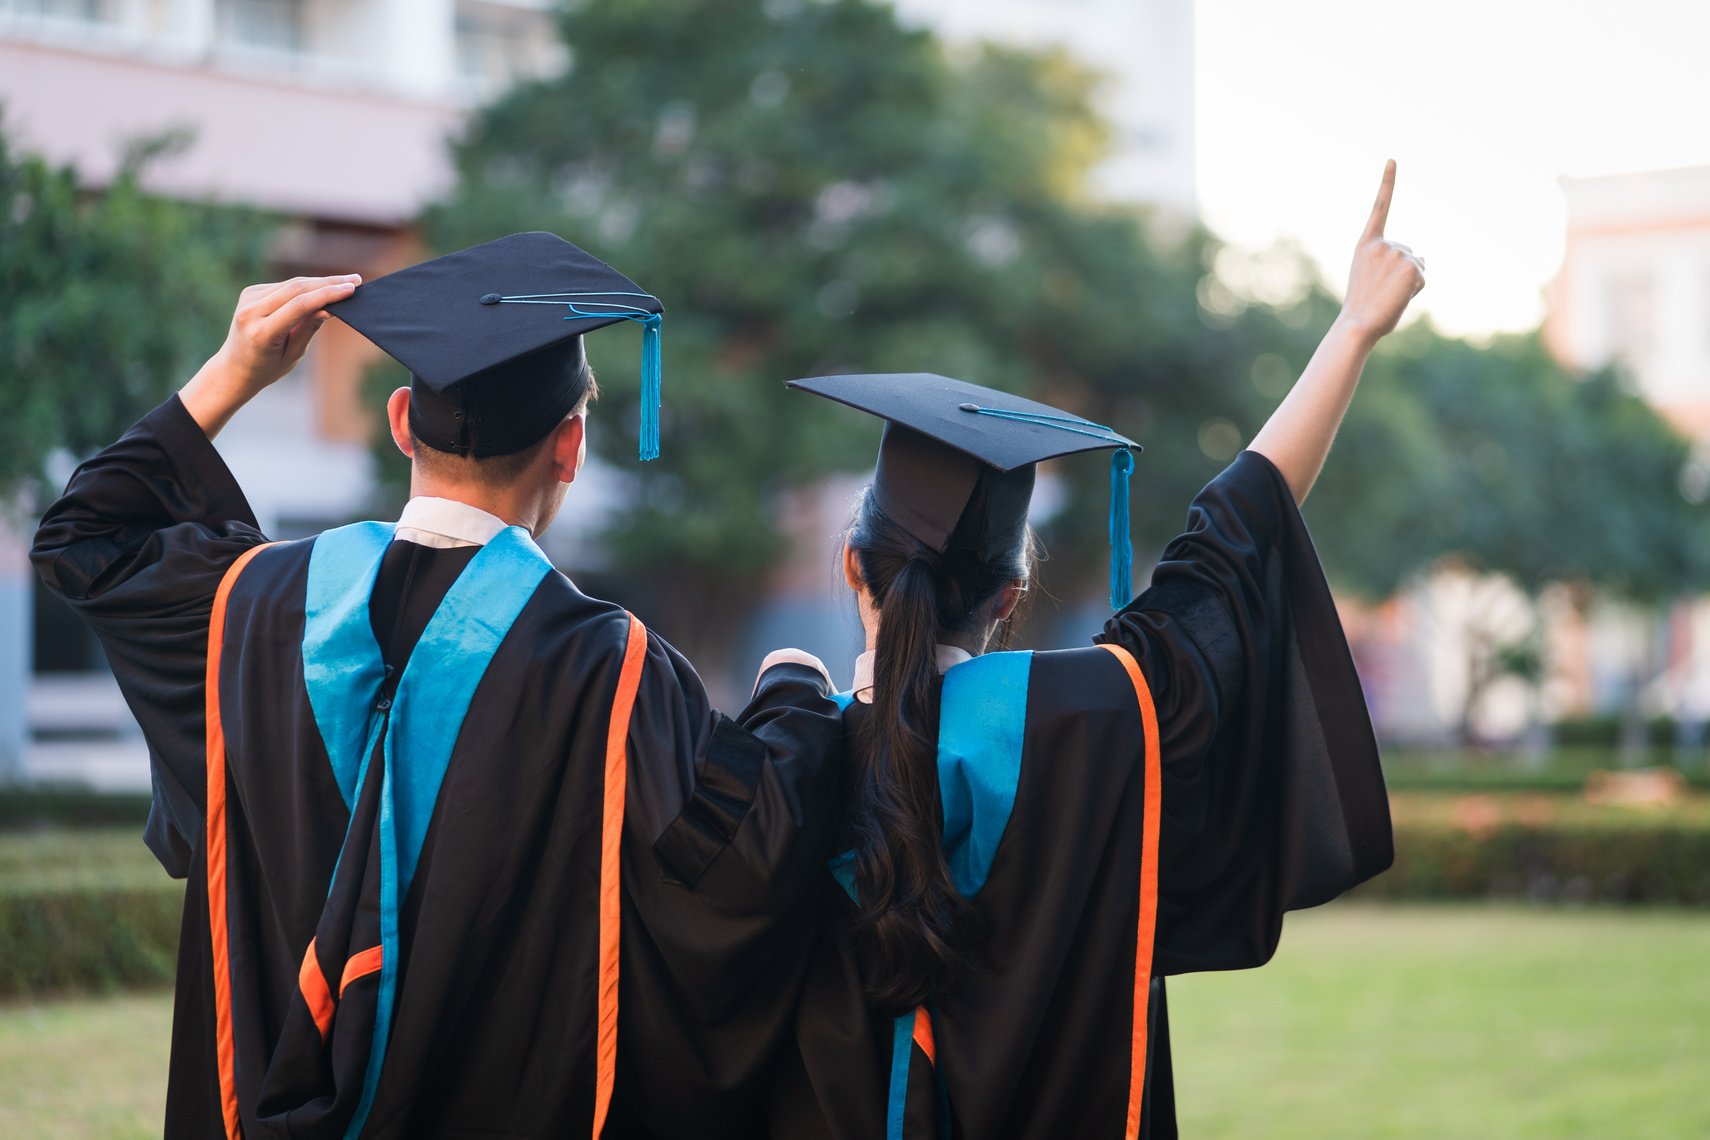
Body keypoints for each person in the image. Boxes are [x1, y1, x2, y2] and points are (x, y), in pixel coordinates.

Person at [30, 232, 843, 1139]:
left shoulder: (251, 606)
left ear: (401, 421)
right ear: (569, 448)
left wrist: (233, 370)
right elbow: (752, 855)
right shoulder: (607, 669)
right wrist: (794, 691)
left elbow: (84, 540)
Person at [765, 162, 1423, 1139]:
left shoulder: (775, 775)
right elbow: (1231, 545)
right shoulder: (1099, 718)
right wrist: (1351, 330)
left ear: (853, 569)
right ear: (1013, 598)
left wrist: (787, 688)